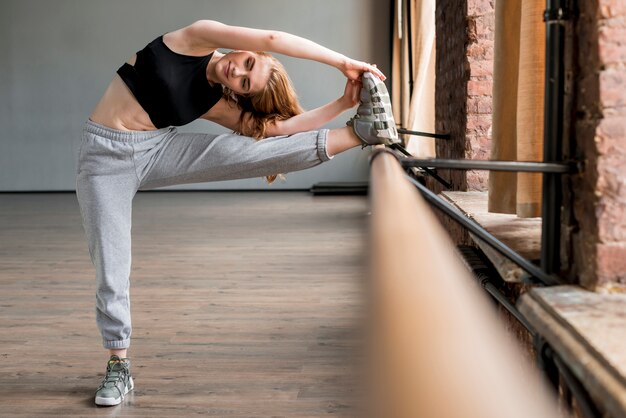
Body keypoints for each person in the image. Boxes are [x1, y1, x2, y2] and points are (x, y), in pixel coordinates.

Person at [78, 19, 398, 406]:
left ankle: (359, 132)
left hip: (156, 150)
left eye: (246, 82)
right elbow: (273, 38)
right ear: (250, 52)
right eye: (248, 64)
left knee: (249, 149)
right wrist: (343, 62)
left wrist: (343, 105)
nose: (239, 72)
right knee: (112, 266)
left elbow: (277, 130)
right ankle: (118, 364)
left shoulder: (217, 101)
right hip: (103, 157)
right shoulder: (194, 38)